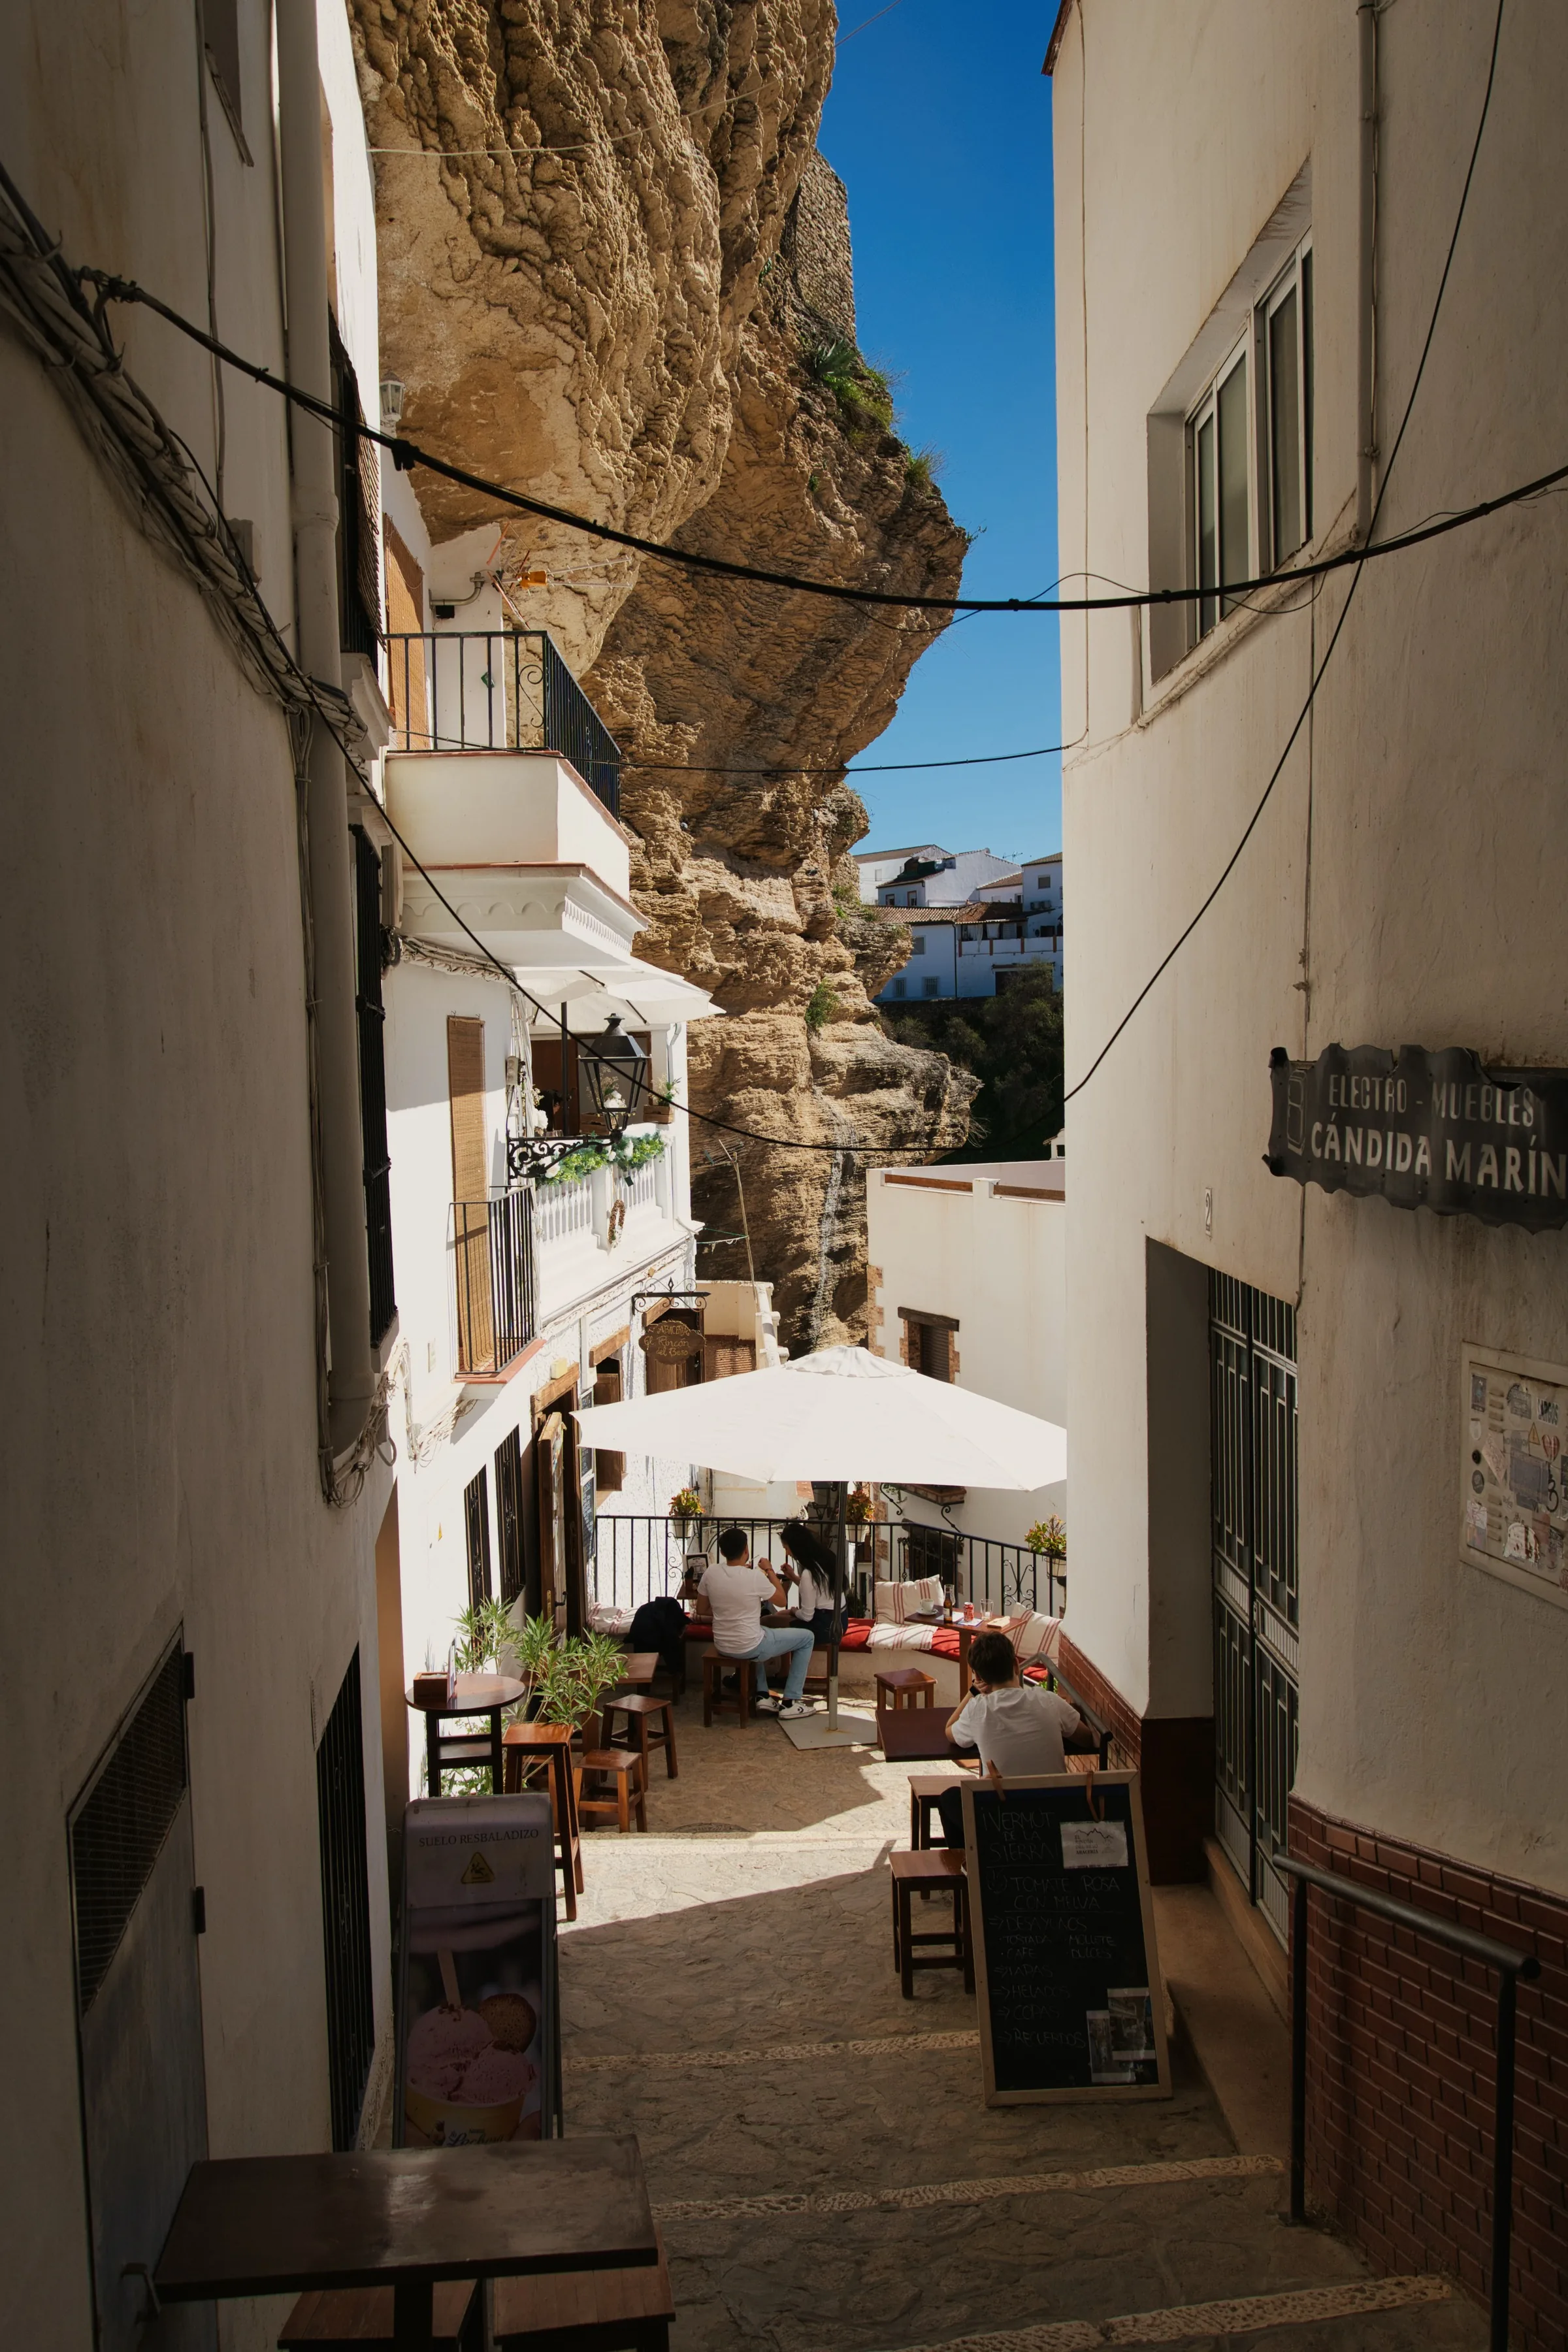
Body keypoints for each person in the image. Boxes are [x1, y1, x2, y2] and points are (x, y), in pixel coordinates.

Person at [935, 1629, 1096, 1848]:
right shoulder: (1047, 1700)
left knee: (949, 1799)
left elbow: (949, 1731)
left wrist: (972, 1692)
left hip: (1006, 1820)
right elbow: (1087, 1739)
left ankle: (971, 1868)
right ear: (1016, 1665)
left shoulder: (978, 1709)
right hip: (1056, 1812)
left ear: (979, 1677)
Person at [699, 1527, 815, 1718]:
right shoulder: (753, 1577)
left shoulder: (711, 1573)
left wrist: (729, 1608)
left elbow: (702, 1609)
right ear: (746, 1550)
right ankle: (791, 1701)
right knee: (807, 1638)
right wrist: (769, 1570)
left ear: (721, 1552)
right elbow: (781, 1600)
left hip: (723, 1644)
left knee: (756, 1631)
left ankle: (762, 1694)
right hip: (749, 1645)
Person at [774, 1519, 845, 1646]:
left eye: (786, 1548)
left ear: (795, 1547)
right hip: (840, 1621)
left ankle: (780, 1666)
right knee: (779, 1615)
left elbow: (807, 1616)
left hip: (825, 1628)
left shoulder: (809, 1573)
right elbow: (817, 1589)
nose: (787, 1553)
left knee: (768, 1622)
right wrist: (793, 1577)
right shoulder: (826, 1558)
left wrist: (794, 1611)